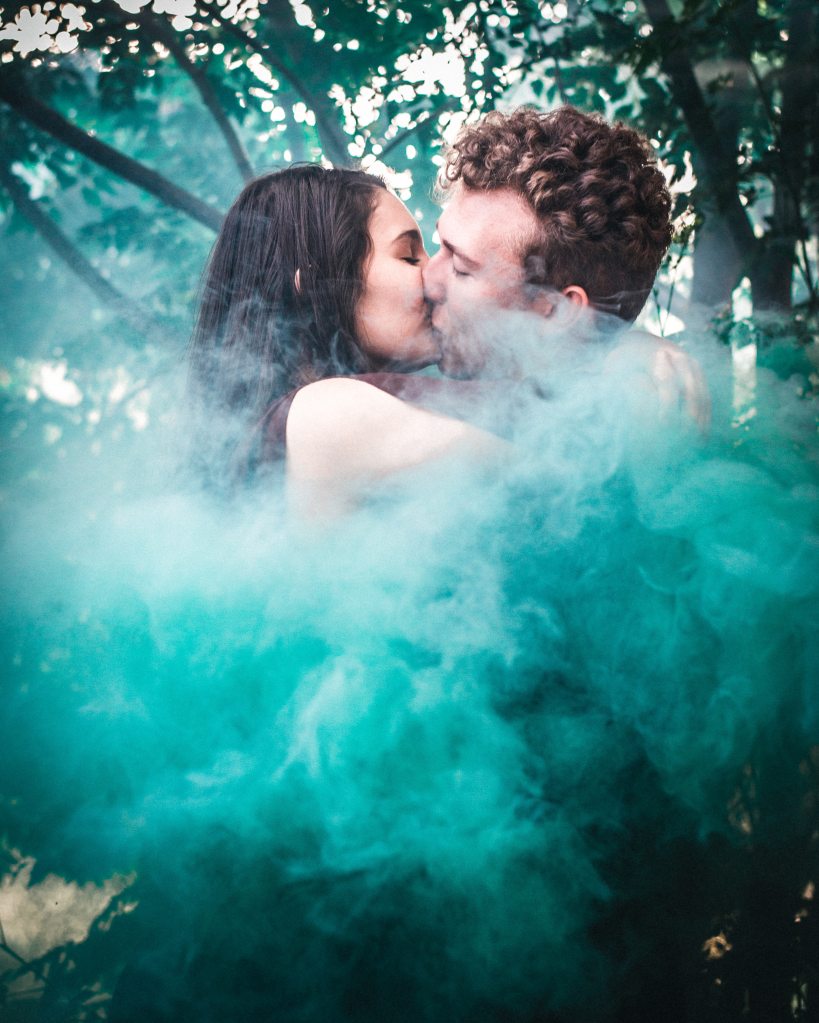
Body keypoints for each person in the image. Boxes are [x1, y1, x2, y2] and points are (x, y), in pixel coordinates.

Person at [188, 165, 508, 511]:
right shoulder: (326, 413)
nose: (432, 274)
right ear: (314, 289)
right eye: (408, 256)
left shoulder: (266, 446)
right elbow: (553, 462)